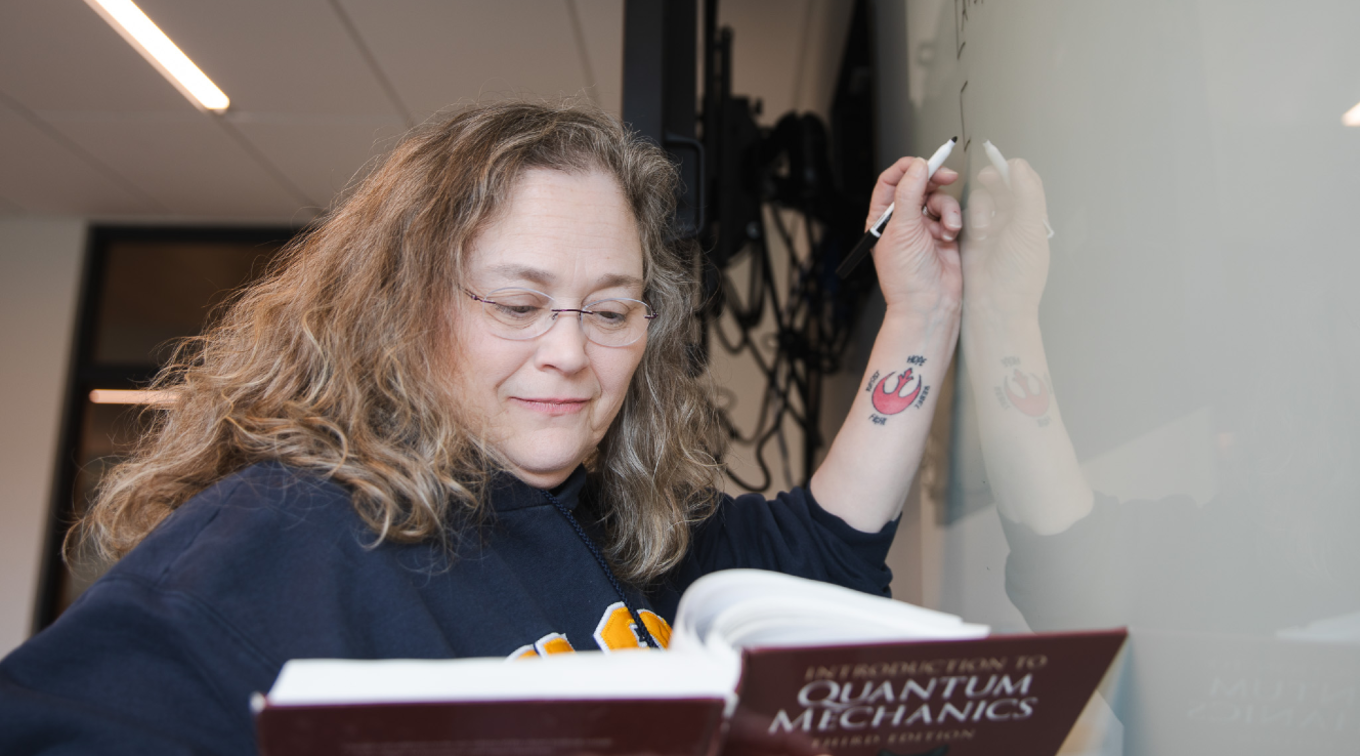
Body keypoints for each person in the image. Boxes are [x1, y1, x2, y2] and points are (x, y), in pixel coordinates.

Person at [0, 100, 965, 755]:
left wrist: (921, 313)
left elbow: (823, 550)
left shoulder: (624, 526)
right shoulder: (275, 538)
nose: (570, 353)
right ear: (401, 308)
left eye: (611, 310)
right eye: (516, 305)